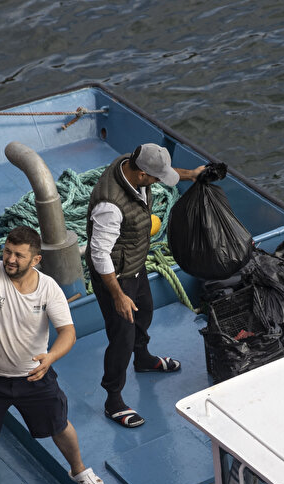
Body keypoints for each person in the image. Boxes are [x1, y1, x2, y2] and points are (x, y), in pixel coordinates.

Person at [0, 226, 105, 484]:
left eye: (19, 255)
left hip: (34, 376)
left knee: (60, 427)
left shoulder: (49, 289)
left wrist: (51, 357)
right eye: (7, 251)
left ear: (36, 260)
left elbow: (68, 333)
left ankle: (79, 469)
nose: (10, 259)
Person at [86, 143, 203, 428]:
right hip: (115, 276)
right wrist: (118, 296)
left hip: (134, 265)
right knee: (121, 338)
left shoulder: (132, 161)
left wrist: (191, 175)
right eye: (155, 178)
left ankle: (143, 359)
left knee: (145, 313)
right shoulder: (109, 207)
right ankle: (113, 400)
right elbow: (99, 254)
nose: (158, 183)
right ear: (140, 174)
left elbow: (162, 171)